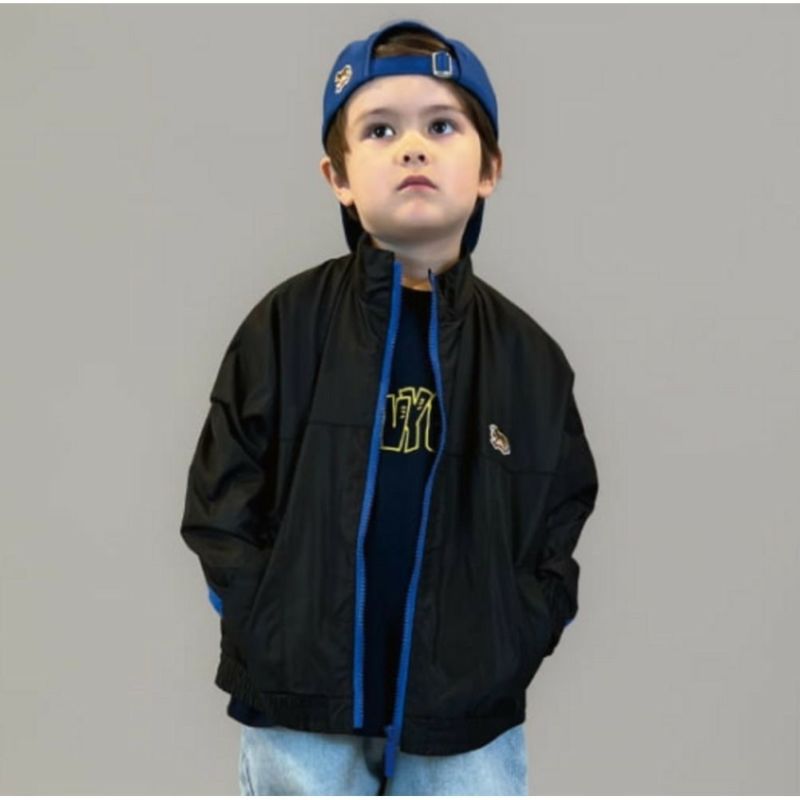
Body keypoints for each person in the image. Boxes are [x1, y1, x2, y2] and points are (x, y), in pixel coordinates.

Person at [180, 17, 600, 796]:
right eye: (379, 130)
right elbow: (221, 491)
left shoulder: (530, 362)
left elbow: (559, 517)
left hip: (465, 720)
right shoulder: (286, 326)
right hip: (299, 702)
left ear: (489, 168)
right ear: (337, 176)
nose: (412, 148)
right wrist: (260, 616)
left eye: (441, 126)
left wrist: (517, 633)